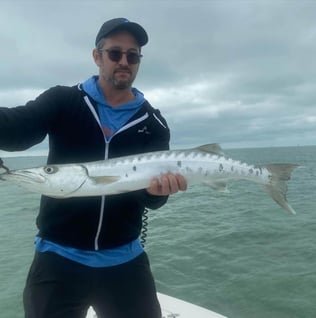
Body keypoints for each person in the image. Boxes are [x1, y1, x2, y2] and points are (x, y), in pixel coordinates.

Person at [0, 18, 187, 318]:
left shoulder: (153, 124)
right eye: (115, 53)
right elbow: (17, 129)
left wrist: (159, 192)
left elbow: (152, 200)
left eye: (133, 55)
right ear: (97, 56)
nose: (124, 61)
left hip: (124, 260)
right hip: (58, 257)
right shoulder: (63, 101)